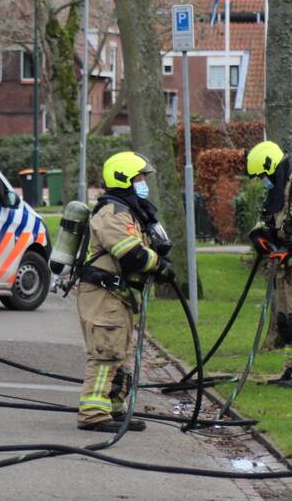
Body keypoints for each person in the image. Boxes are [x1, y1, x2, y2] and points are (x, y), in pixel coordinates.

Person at [75, 151, 174, 433]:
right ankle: (93, 412)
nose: (144, 183)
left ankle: (112, 407)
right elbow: (130, 253)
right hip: (104, 295)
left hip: (120, 295)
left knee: (120, 351)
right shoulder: (113, 213)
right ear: (124, 179)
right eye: (140, 178)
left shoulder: (129, 211)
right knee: (106, 351)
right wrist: (159, 265)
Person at [246, 140, 292, 388]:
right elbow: (268, 220)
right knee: (287, 321)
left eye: (262, 176)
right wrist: (258, 237)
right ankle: (291, 371)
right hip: (287, 267)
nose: (262, 181)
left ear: (273, 168)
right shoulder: (279, 190)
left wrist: (288, 250)